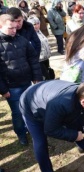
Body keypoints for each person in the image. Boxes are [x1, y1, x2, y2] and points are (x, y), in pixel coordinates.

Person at [0, 14, 43, 146]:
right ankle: (21, 133)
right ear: (1, 26)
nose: (14, 30)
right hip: (11, 87)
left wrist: (36, 77)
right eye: (10, 28)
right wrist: (3, 90)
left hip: (27, 82)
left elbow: (33, 60)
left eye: (15, 28)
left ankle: (32, 128)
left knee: (30, 108)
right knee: (17, 113)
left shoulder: (21, 40)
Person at [27, 16, 52, 80]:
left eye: (38, 23)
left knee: (49, 74)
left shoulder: (39, 32)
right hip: (39, 60)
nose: (37, 26)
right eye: (34, 24)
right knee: (46, 77)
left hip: (45, 58)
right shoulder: (29, 34)